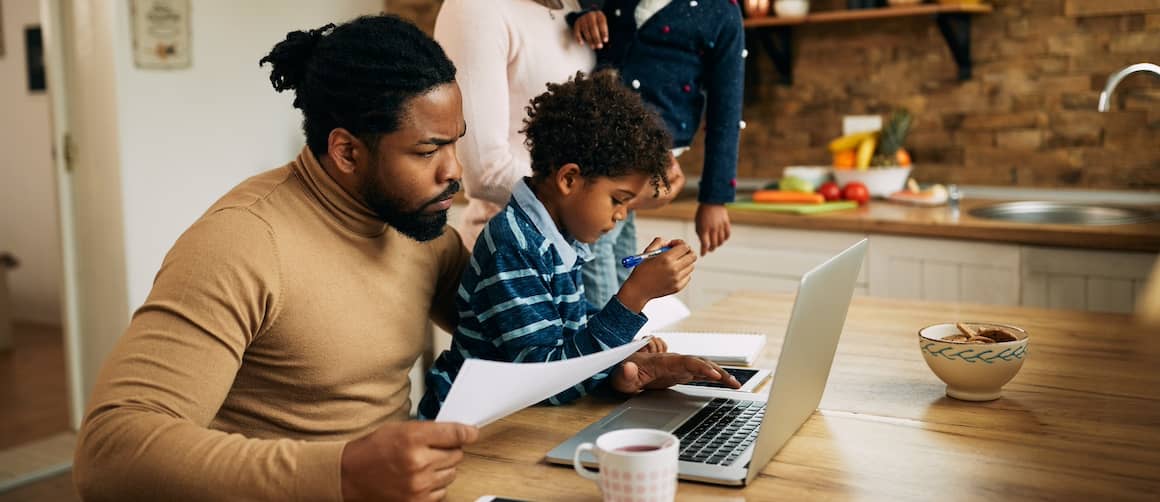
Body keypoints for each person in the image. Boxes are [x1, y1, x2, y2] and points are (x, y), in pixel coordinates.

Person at [73, 15, 747, 502]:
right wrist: (337, 472)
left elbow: (523, 346)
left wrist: (623, 367)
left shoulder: (414, 228)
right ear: (346, 151)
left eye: (455, 144)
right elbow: (109, 453)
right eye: (428, 152)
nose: (456, 176)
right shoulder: (240, 245)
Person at [419, 71, 739, 419]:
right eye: (618, 200)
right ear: (569, 179)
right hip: (467, 426)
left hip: (519, 418)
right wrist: (633, 298)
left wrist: (622, 356)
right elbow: (547, 380)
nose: (620, 216)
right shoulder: (514, 246)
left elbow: (565, 335)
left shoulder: (556, 235)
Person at [434, 0, 685, 308]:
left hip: (578, 248)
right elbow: (483, 172)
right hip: (517, 261)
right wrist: (620, 195)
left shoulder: (578, 10)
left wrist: (631, 182)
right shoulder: (476, 8)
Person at [570, 0, 745, 257]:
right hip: (597, 141)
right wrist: (585, 15)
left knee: (602, 244)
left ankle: (616, 297)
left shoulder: (722, 11)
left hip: (656, 151)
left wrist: (714, 199)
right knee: (604, 244)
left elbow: (726, 113)